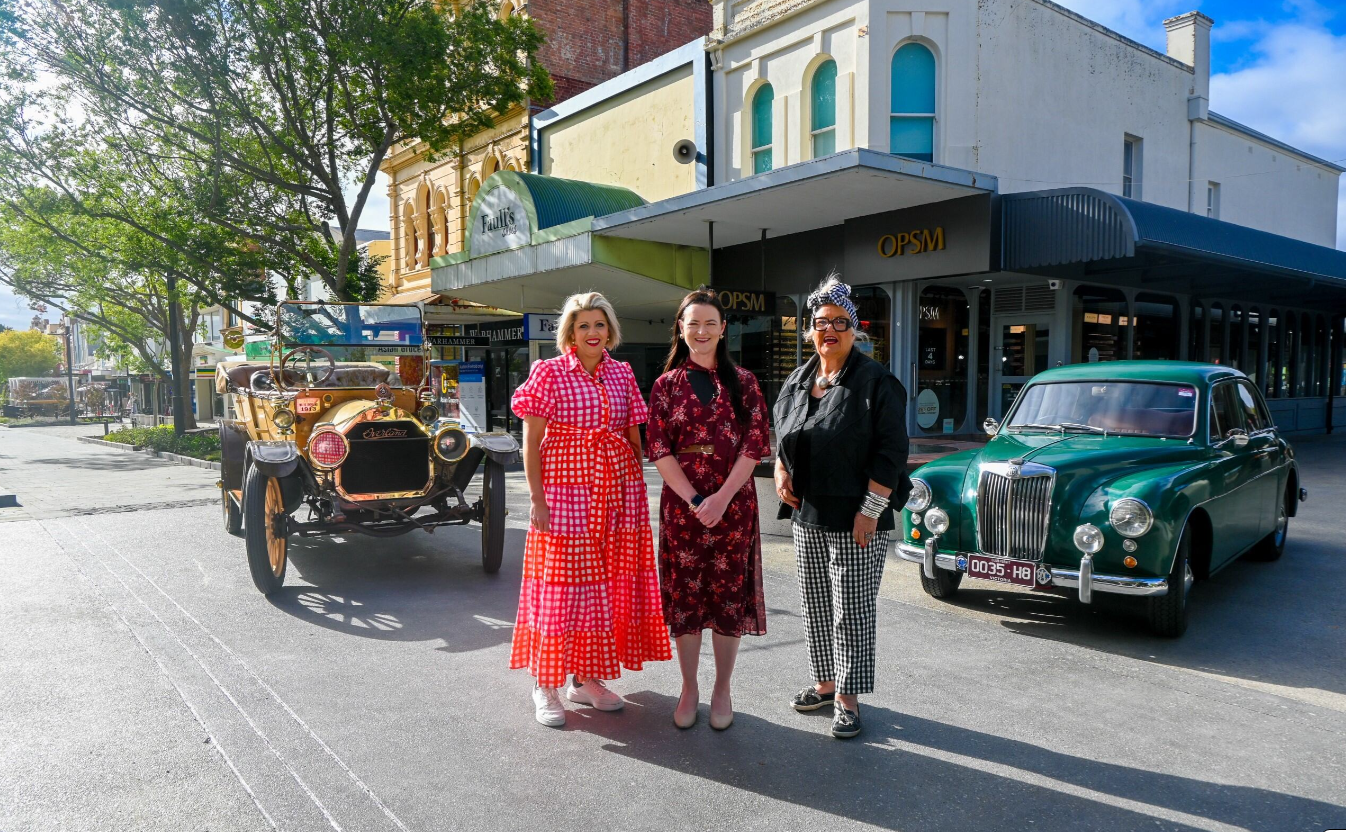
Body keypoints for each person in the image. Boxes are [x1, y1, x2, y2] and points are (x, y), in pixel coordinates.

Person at [509, 291, 672, 727]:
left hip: (615, 494)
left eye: (600, 325)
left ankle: (585, 679)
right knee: (560, 588)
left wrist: (635, 497)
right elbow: (531, 441)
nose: (593, 333)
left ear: (610, 330)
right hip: (563, 495)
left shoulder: (621, 374)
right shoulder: (548, 372)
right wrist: (537, 498)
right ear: (570, 332)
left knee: (603, 590)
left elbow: (632, 436)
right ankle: (545, 684)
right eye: (584, 325)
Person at [772, 274, 911, 739]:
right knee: (814, 604)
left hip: (857, 516)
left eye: (839, 322)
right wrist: (780, 469)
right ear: (809, 330)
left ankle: (848, 700)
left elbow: (891, 453)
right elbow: (786, 433)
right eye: (820, 322)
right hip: (807, 513)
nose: (828, 330)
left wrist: (871, 510)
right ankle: (824, 683)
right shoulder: (800, 379)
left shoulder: (876, 382)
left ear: (855, 329)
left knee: (850, 608)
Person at [646, 289, 771, 730]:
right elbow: (659, 449)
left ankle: (721, 688)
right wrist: (697, 500)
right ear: (680, 328)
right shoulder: (665, 386)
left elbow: (755, 445)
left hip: (734, 509)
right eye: (692, 323)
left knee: (726, 598)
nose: (701, 331)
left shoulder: (746, 383)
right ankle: (688, 687)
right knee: (687, 598)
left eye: (710, 323)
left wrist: (720, 498)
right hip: (683, 511)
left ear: (723, 330)